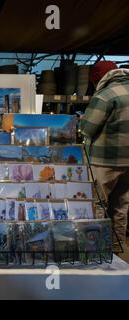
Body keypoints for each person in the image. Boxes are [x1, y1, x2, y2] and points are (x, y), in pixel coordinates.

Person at [79, 61, 129, 252]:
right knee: (121, 206)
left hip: (105, 162)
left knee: (98, 204)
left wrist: (82, 122)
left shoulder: (106, 95)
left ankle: (97, 250)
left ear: (97, 78)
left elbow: (87, 129)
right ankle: (116, 248)